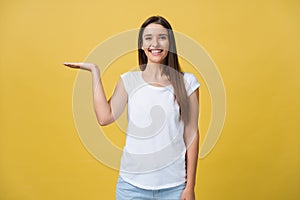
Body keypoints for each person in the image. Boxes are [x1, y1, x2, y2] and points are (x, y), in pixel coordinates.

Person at [63, 15, 200, 200]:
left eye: (162, 37)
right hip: (131, 188)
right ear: (142, 46)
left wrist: (190, 187)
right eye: (148, 38)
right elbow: (105, 117)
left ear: (170, 43)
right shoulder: (129, 81)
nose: (155, 43)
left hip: (174, 187)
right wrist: (95, 71)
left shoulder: (187, 82)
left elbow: (191, 134)